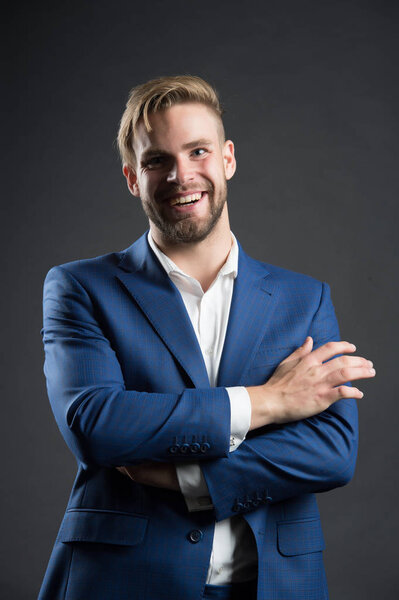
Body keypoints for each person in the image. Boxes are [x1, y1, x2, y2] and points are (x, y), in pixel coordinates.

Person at [38, 75, 375, 600]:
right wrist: (267, 403)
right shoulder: (81, 288)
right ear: (133, 178)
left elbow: (331, 450)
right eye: (157, 161)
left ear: (228, 160)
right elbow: (95, 424)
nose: (181, 175)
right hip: (125, 582)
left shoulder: (303, 299)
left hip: (275, 584)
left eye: (198, 151)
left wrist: (187, 481)